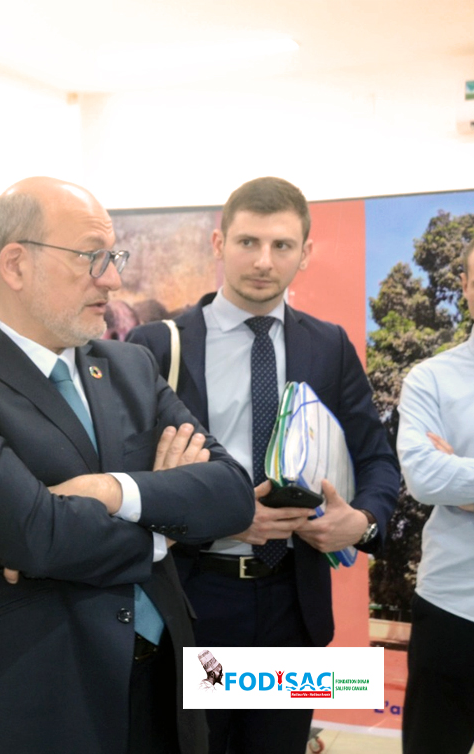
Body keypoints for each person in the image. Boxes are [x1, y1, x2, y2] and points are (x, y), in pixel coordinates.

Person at [0, 176, 254, 754]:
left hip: (164, 690)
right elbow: (37, 536)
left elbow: (232, 496)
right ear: (16, 264)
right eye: (93, 257)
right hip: (36, 703)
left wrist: (113, 492)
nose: (112, 278)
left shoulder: (130, 368)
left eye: (113, 257)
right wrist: (163, 529)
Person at [127, 177, 400, 754]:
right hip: (198, 603)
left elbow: (376, 458)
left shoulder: (329, 345)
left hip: (291, 606)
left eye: (281, 246)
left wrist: (364, 522)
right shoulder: (158, 346)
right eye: (248, 242)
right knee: (193, 746)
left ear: (305, 253)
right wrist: (220, 516)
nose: (262, 261)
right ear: (218, 242)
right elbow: (129, 479)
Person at [395, 238, 474, 754]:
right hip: (451, 611)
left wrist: (461, 477)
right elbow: (425, 478)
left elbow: (447, 478)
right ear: (467, 287)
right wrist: (444, 477)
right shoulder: (432, 378)